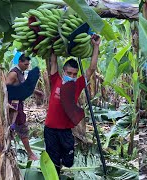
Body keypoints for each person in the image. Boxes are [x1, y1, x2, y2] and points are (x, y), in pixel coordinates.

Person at [44, 34, 101, 174]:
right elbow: (53, 61)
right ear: (64, 72)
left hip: (65, 131)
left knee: (69, 162)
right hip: (50, 129)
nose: (72, 76)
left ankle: (63, 163)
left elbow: (91, 69)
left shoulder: (77, 84)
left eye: (75, 74)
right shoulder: (56, 79)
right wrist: (54, 41)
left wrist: (96, 46)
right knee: (53, 162)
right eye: (69, 73)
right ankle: (56, 172)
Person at [6, 54, 43, 161]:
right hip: (13, 106)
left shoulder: (20, 73)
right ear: (20, 62)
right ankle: (30, 154)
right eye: (25, 64)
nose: (27, 67)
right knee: (22, 128)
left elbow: (22, 86)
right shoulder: (13, 73)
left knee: (18, 129)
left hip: (18, 105)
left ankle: (11, 150)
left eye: (28, 65)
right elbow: (5, 88)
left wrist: (36, 91)